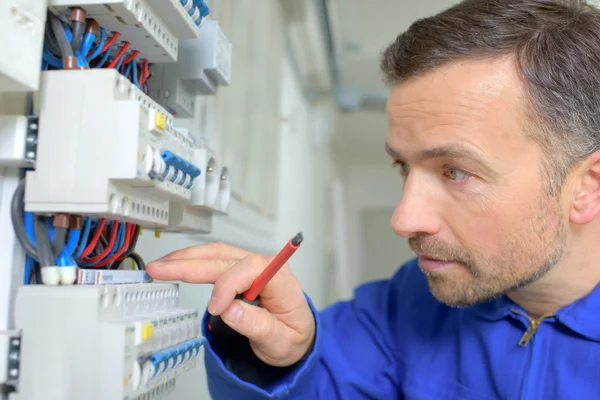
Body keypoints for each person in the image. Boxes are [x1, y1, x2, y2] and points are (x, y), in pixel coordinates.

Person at [147, 0, 600, 398]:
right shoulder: (409, 305)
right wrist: (283, 355)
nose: (404, 219)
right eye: (402, 166)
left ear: (588, 185)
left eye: (455, 171)